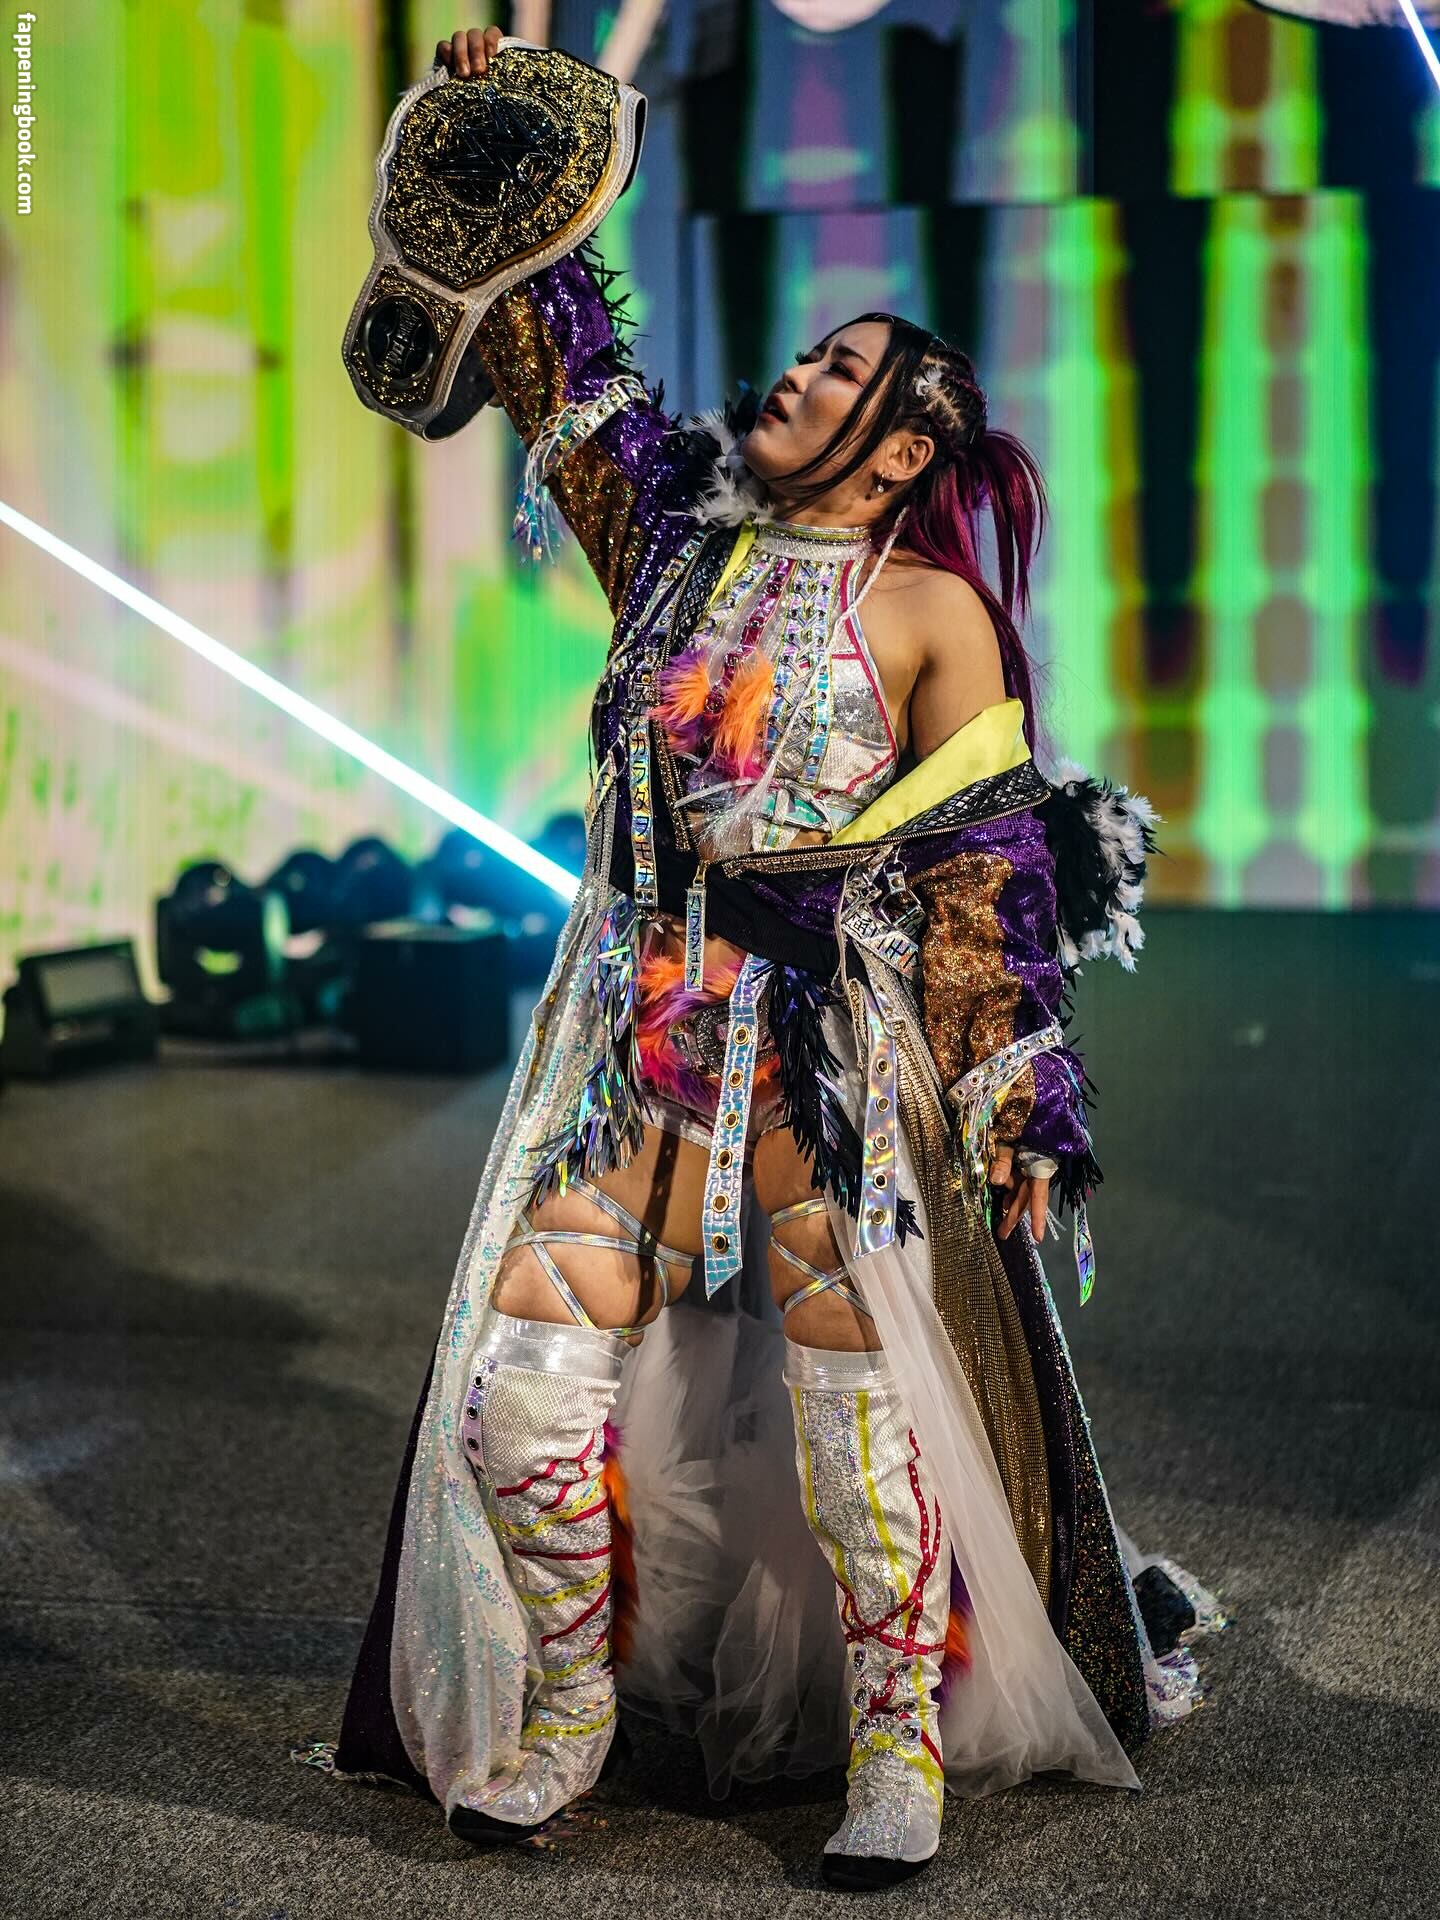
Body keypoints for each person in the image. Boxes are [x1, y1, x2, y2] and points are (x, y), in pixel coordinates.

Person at [310, 24, 1227, 1894]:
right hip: (636, 1039)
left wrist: (1020, 1102)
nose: (796, 374)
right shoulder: (675, 542)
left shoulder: (939, 613)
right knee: (520, 1386)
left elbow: (984, 878)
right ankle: (566, 1720)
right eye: (807, 355)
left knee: (860, 1429)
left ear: (905, 445)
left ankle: (896, 1756)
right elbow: (557, 354)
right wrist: (502, 131)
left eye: (841, 370)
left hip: (825, 1067)